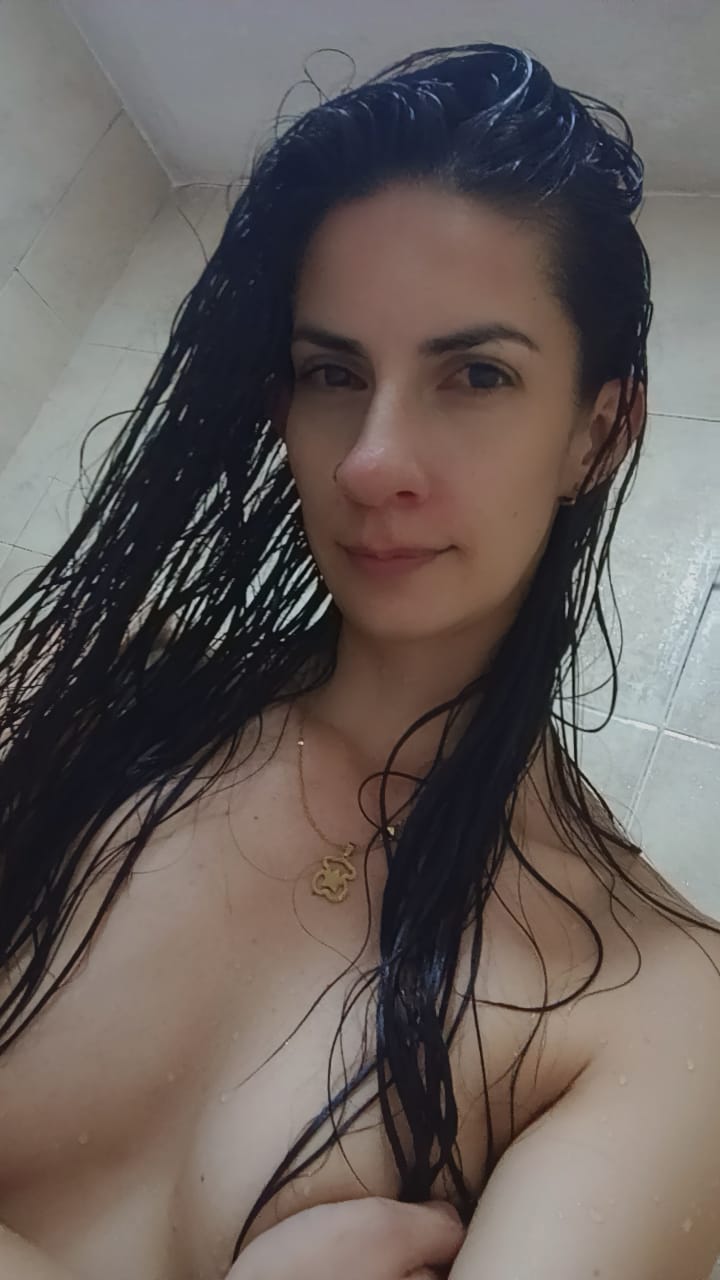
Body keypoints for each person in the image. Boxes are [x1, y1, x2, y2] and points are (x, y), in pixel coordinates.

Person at [0, 39, 719, 1280]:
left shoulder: (657, 1008)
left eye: (476, 374)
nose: (372, 459)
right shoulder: (78, 695)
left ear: (598, 433)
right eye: (333, 372)